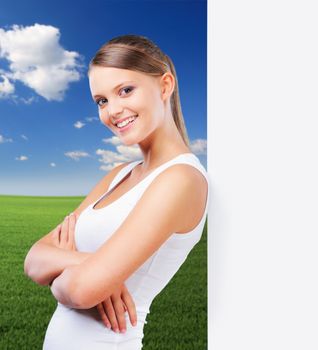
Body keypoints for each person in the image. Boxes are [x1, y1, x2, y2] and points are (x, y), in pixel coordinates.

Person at [23, 34, 209, 350]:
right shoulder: (117, 175)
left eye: (125, 90)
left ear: (164, 86)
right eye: (102, 100)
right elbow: (33, 261)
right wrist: (90, 265)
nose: (113, 110)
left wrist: (62, 275)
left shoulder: (182, 179)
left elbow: (80, 291)